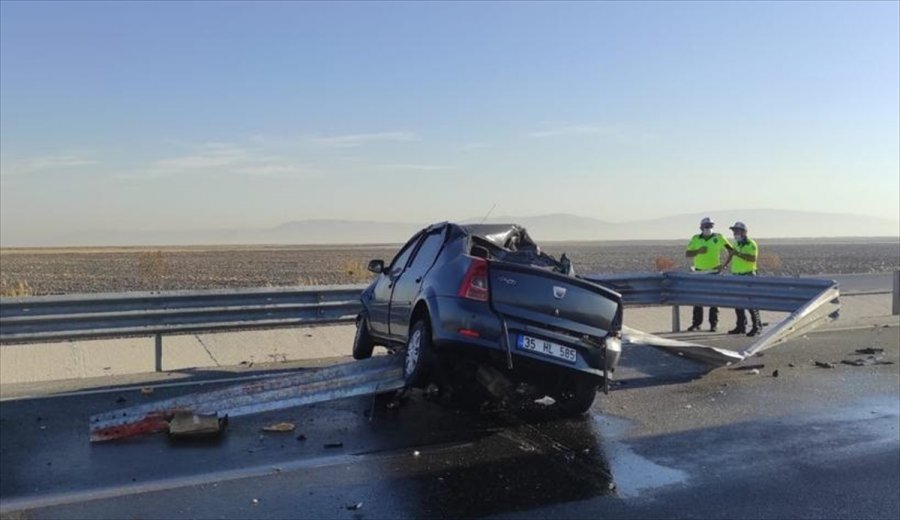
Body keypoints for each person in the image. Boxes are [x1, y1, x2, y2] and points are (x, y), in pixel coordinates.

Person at [684, 217, 728, 332]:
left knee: (714, 299)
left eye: (711, 226)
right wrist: (698, 251)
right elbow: (688, 253)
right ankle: (696, 323)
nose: (709, 228)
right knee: (698, 299)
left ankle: (713, 324)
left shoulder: (719, 237)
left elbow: (731, 250)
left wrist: (724, 265)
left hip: (714, 272)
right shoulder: (695, 238)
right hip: (699, 272)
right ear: (701, 227)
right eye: (706, 226)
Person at [722, 221, 762, 337]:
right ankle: (741, 326)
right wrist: (724, 266)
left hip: (748, 275)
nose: (735, 233)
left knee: (751, 302)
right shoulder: (736, 243)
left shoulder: (751, 244)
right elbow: (731, 254)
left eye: (737, 231)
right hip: (736, 275)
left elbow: (752, 258)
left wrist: (738, 254)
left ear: (744, 232)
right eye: (734, 231)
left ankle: (756, 326)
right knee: (738, 302)